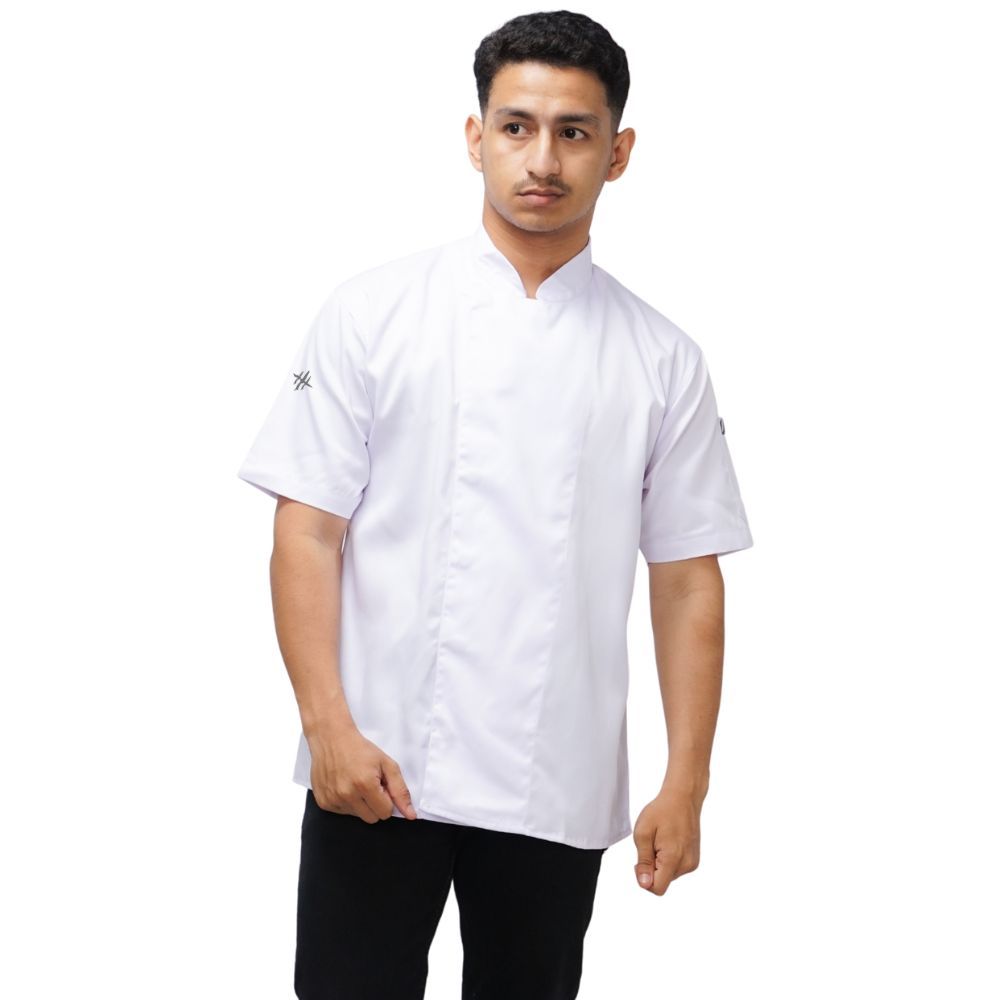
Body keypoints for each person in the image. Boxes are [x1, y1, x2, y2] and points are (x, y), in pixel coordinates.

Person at [236, 10, 753, 999]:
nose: (542, 159)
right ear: (475, 138)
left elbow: (688, 580)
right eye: (516, 126)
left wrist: (686, 781)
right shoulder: (373, 313)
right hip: (376, 761)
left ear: (618, 153)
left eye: (574, 132)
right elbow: (306, 529)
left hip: (552, 777)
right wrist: (327, 727)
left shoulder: (662, 358)